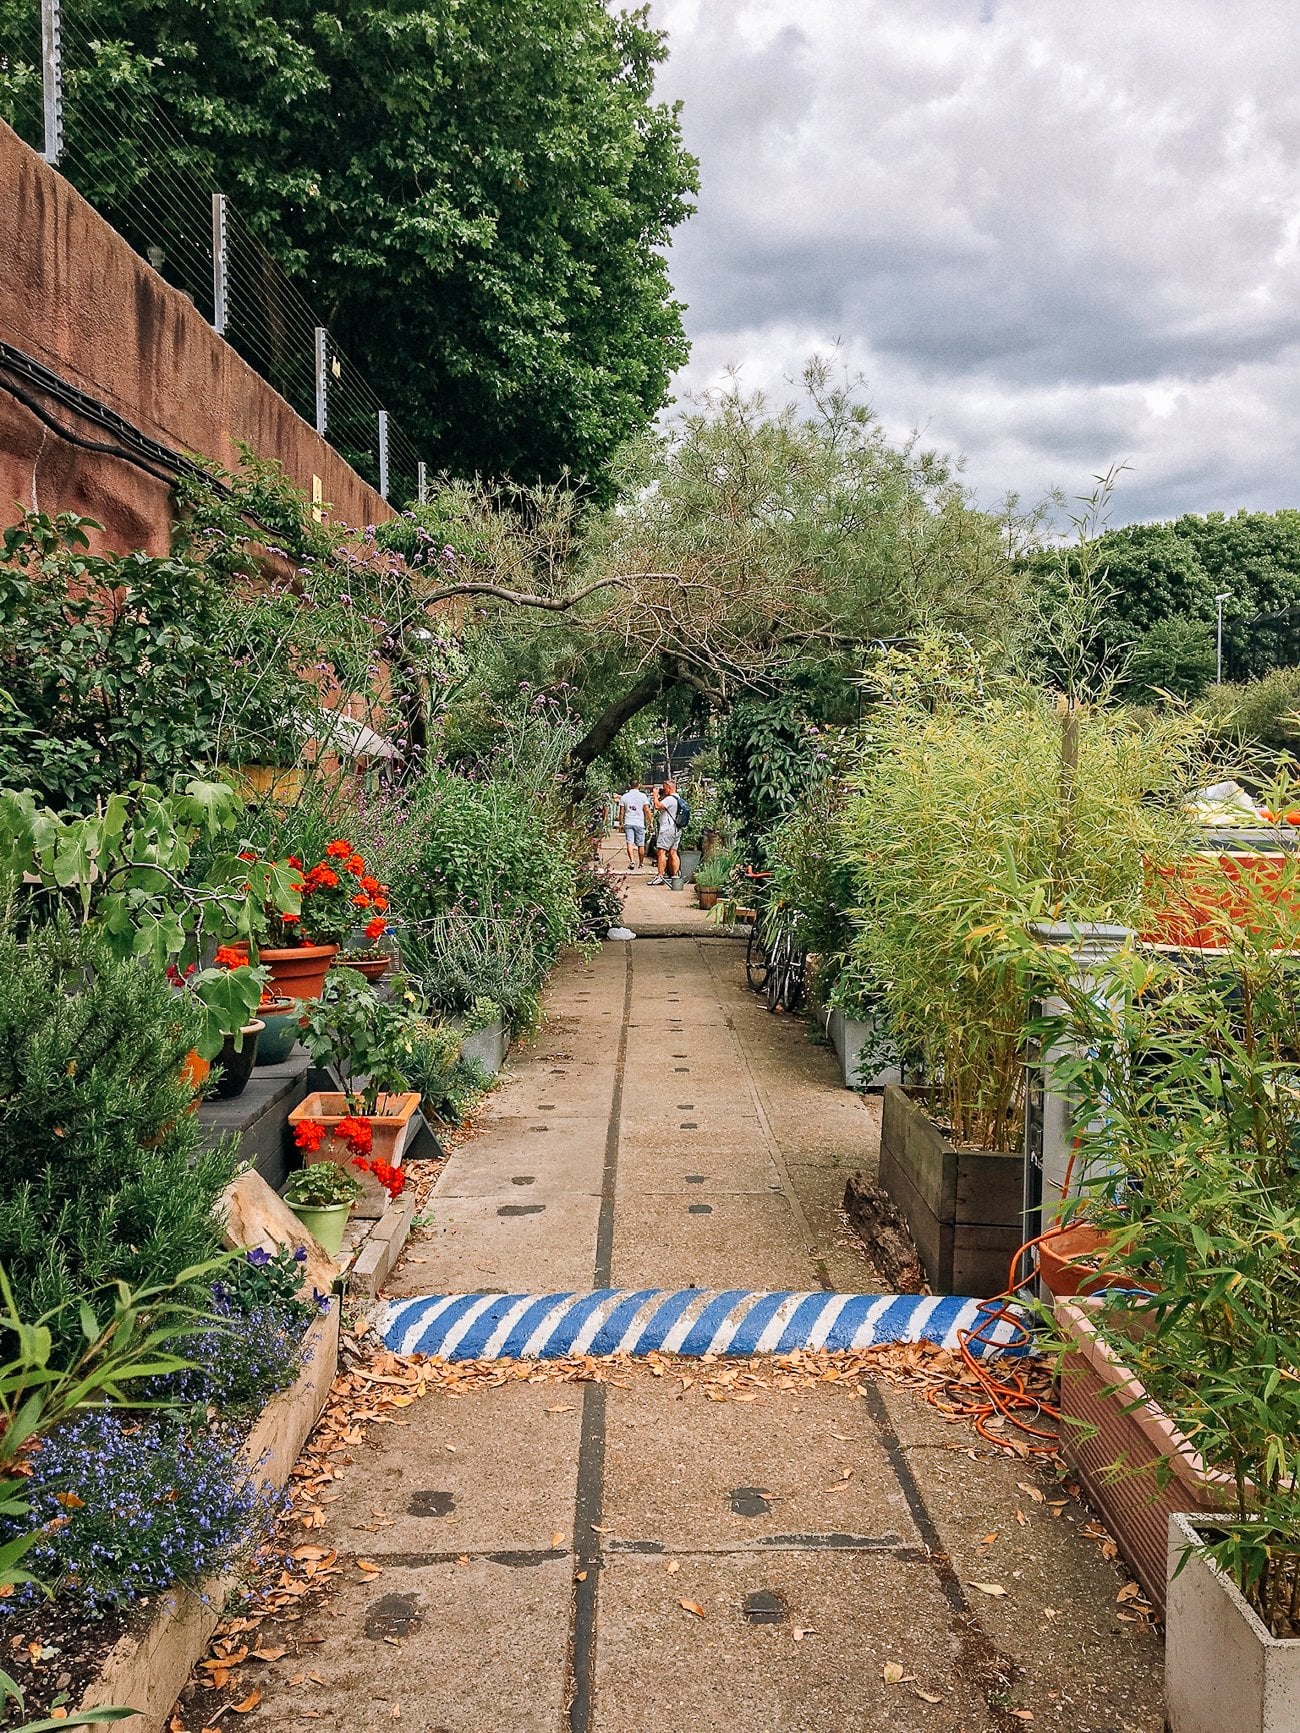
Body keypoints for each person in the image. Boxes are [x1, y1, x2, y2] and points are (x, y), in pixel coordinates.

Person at [649, 780, 681, 887]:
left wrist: (655, 795)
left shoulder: (670, 799)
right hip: (677, 829)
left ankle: (660, 876)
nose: (664, 789)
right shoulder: (678, 798)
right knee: (673, 852)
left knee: (661, 852)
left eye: (665, 787)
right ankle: (675, 876)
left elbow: (657, 806)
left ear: (669, 787)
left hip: (667, 829)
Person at [617, 779, 652, 870]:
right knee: (641, 844)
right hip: (639, 822)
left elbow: (621, 812)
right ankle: (641, 863)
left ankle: (632, 860)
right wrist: (650, 821)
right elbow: (647, 810)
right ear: (639, 785)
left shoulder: (624, 797)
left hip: (628, 822)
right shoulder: (643, 796)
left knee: (630, 842)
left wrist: (620, 822)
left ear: (629, 785)